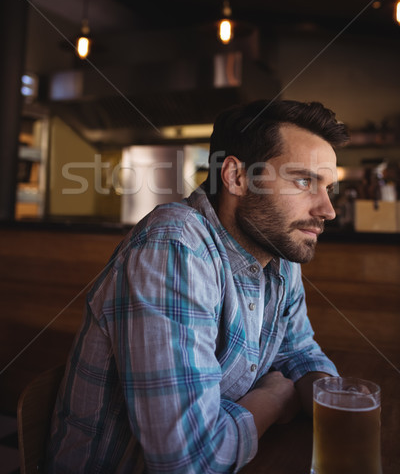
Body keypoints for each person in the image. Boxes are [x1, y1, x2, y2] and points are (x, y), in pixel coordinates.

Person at [46, 99, 349, 474]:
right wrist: (271, 400)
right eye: (304, 181)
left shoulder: (278, 255)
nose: (327, 209)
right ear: (236, 177)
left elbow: (299, 353)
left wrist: (339, 408)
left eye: (328, 188)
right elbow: (187, 460)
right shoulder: (174, 245)